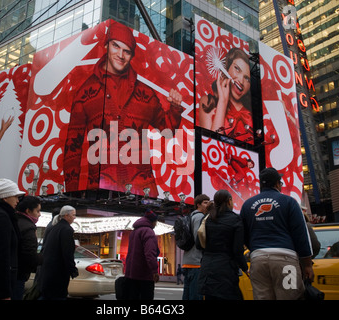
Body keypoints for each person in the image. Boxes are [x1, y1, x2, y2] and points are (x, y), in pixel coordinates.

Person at [63, 21, 183, 197]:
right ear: (106, 45)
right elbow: (72, 148)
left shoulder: (145, 93)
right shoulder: (85, 93)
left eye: (126, 51)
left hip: (142, 190)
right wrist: (72, 194)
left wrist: (175, 108)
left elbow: (167, 132)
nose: (120, 54)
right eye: (115, 46)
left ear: (132, 55)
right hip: (99, 190)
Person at [240, 167, 314, 300]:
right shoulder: (289, 202)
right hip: (286, 262)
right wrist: (307, 264)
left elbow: (243, 235)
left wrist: (255, 250)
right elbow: (301, 235)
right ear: (277, 184)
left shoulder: (247, 205)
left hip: (258, 261)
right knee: (291, 296)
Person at [198, 190, 248, 300]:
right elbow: (237, 250)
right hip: (226, 271)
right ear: (229, 201)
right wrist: (245, 268)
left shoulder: (207, 218)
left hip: (207, 270)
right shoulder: (235, 219)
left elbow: (199, 244)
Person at [198, 48, 252, 142]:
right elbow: (211, 145)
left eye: (247, 78)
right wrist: (223, 102)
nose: (241, 81)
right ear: (227, 67)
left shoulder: (250, 114)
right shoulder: (207, 102)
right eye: (237, 69)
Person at [39, 205, 78, 300]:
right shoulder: (66, 229)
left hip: (48, 270)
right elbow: (67, 252)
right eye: (73, 215)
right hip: (58, 271)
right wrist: (72, 269)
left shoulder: (54, 227)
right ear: (66, 215)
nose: (74, 217)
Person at [124, 210, 160, 299]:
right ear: (153, 221)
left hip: (131, 274)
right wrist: (154, 271)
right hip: (144, 275)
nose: (156, 224)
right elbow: (150, 253)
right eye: (156, 222)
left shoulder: (134, 232)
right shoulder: (148, 231)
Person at [13, 196, 42, 300]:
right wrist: (42, 259)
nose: (39, 214)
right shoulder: (28, 228)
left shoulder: (13, 220)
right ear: (28, 211)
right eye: (38, 211)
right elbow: (28, 255)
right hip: (18, 274)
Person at [182, 194, 210, 300]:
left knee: (187, 295)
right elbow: (198, 238)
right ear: (198, 205)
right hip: (196, 262)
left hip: (187, 261)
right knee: (196, 295)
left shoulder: (191, 216)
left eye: (208, 202)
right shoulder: (199, 217)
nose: (208, 204)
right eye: (205, 202)